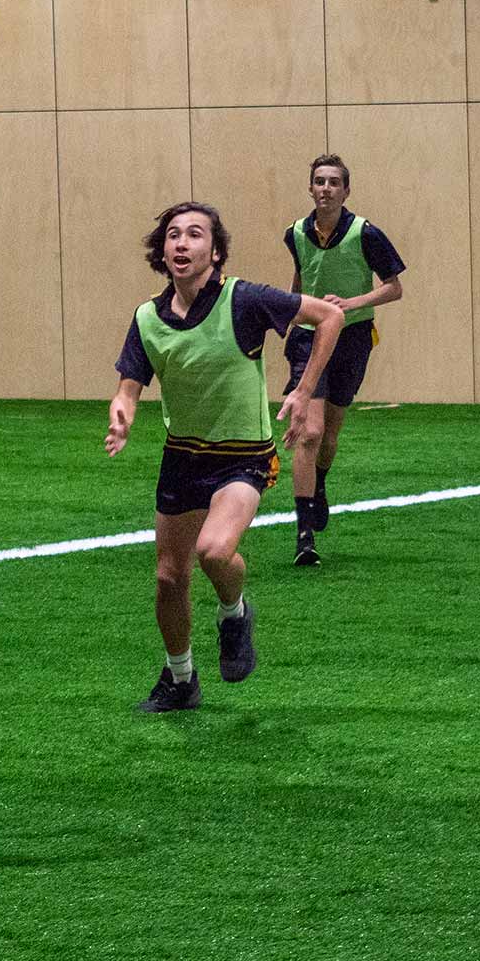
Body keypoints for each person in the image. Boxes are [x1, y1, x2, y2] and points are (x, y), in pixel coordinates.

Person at [105, 202, 342, 713]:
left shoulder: (243, 299)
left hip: (242, 457)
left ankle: (234, 613)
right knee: (169, 577)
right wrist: (122, 409)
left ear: (215, 251)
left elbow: (330, 316)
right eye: (173, 235)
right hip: (182, 456)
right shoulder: (148, 316)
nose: (182, 243)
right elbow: (129, 385)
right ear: (162, 250)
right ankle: (181, 679)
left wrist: (303, 390)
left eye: (195, 234)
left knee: (214, 551)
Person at [282, 155, 405, 566]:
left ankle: (319, 483)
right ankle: (303, 535)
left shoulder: (365, 233)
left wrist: (352, 303)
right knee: (310, 431)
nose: (326, 189)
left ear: (346, 190)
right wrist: (289, 314)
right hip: (308, 338)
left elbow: (394, 288)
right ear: (310, 188)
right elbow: (301, 280)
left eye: (335, 182)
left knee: (331, 431)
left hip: (352, 336)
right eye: (319, 181)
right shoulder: (296, 233)